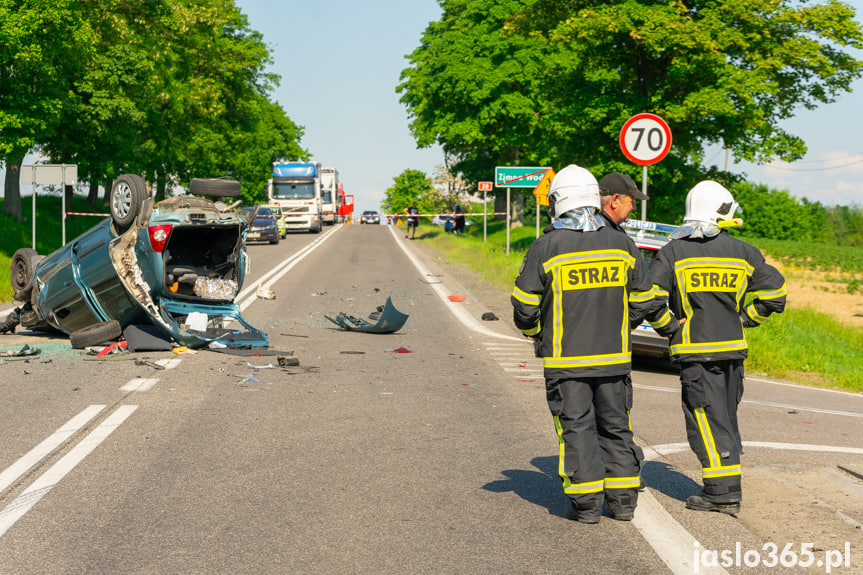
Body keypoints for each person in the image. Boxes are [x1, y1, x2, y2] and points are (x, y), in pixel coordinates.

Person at [511, 164, 679, 524]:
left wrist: (540, 331)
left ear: (559, 200)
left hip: (565, 364)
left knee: (577, 428)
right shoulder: (622, 243)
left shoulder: (546, 246)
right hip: (615, 361)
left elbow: (524, 309)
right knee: (616, 427)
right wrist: (661, 329)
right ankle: (623, 503)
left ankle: (586, 504)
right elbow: (647, 300)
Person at [650, 180, 787, 516]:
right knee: (724, 417)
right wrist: (745, 318)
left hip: (696, 352)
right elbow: (776, 293)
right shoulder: (744, 252)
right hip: (732, 352)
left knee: (705, 420)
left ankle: (721, 494)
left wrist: (669, 327)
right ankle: (726, 485)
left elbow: (647, 298)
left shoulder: (674, 252)